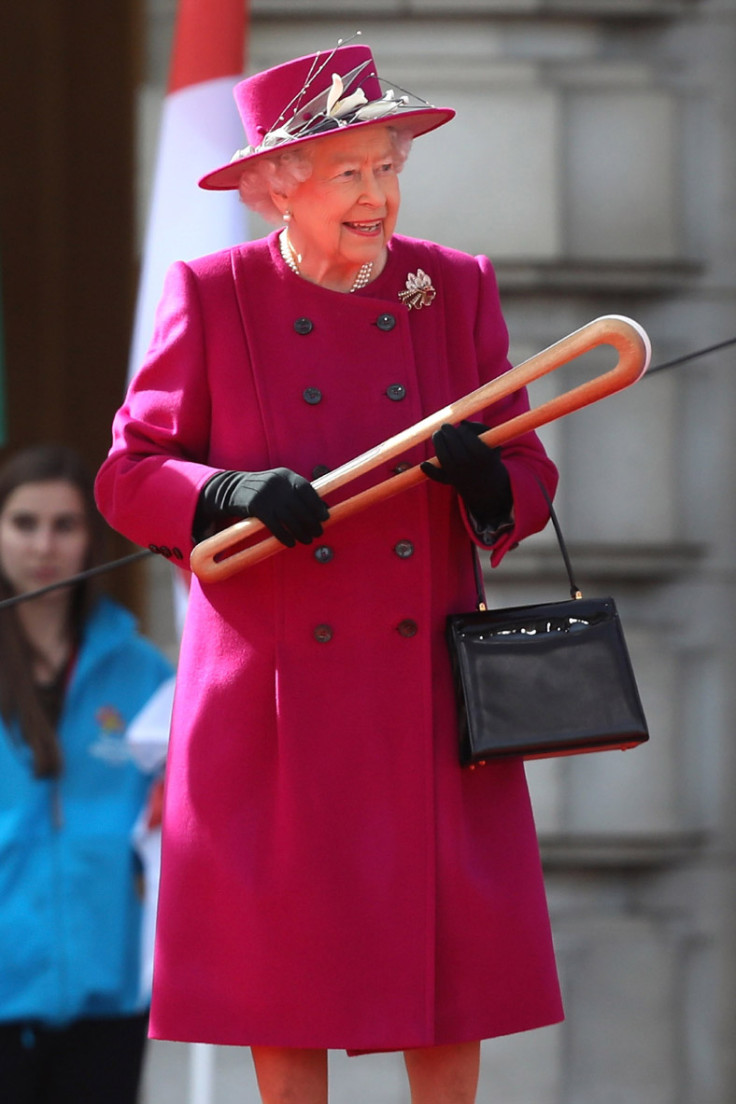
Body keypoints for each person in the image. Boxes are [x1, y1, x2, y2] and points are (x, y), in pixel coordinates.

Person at [95, 41, 564, 1104]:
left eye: (388, 165)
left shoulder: (451, 288)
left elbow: (529, 482)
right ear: (274, 185)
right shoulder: (213, 294)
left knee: (448, 985)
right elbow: (129, 477)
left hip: (424, 697)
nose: (377, 193)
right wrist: (228, 493)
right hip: (272, 704)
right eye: (348, 171)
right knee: (282, 981)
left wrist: (482, 481)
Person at [0, 444, 174, 1104]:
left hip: (110, 989)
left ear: (91, 538)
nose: (43, 544)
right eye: (23, 522)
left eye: (65, 525)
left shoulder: (143, 672)